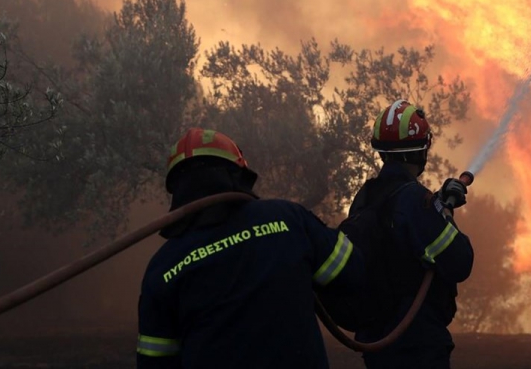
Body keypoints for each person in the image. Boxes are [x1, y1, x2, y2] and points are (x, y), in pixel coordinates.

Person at [136, 128, 363, 368]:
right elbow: (353, 272)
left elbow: (154, 362)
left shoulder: (163, 268)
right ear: (239, 173)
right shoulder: (287, 218)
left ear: (176, 188)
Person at [346, 100, 474, 369]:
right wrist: (443, 212)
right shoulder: (414, 200)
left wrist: (437, 203)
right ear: (421, 150)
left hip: (377, 339)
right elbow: (460, 261)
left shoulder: (365, 197)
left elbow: (404, 234)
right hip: (416, 342)